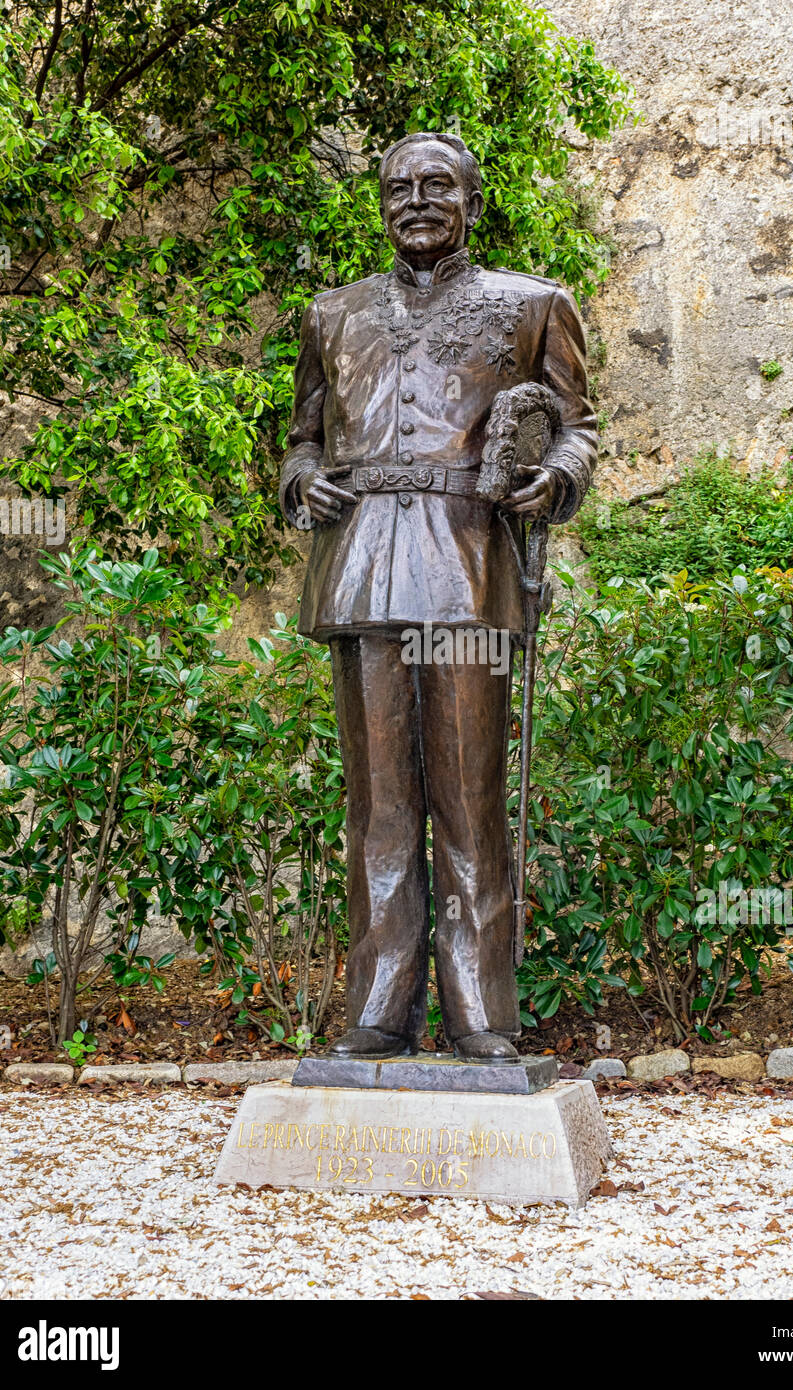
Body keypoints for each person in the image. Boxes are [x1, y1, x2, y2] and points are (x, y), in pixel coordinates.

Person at [279, 131, 596, 1061]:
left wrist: (558, 478)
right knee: (378, 804)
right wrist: (304, 482)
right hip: (362, 563)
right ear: (380, 202)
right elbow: (302, 439)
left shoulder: (532, 304)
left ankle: (478, 1012)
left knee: (468, 797)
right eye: (398, 187)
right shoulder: (331, 314)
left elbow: (577, 426)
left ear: (470, 198)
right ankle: (378, 1007)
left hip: (468, 565)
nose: (415, 200)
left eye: (436, 185)